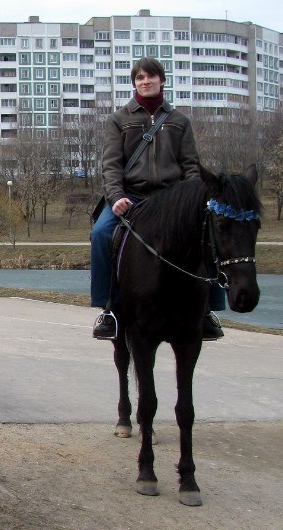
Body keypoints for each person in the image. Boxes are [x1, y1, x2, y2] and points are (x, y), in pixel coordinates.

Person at [90, 56, 225, 341]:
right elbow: (111, 165)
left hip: (170, 200)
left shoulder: (179, 121)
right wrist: (115, 197)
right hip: (132, 198)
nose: (145, 81)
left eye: (150, 77)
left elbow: (190, 164)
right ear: (134, 83)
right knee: (101, 234)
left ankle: (208, 309)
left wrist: (192, 200)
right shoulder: (119, 120)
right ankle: (109, 309)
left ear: (161, 80)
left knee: (208, 231)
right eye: (139, 78)